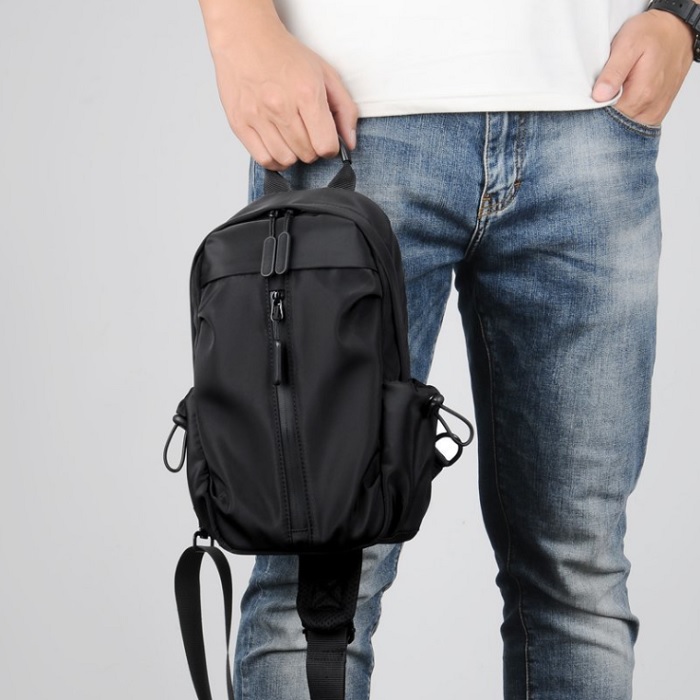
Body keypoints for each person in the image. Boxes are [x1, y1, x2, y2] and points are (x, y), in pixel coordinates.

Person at [195, 1, 697, 698]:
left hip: (590, 119)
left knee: (580, 580)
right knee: (315, 580)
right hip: (349, 120)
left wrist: (682, 16)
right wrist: (241, 33)